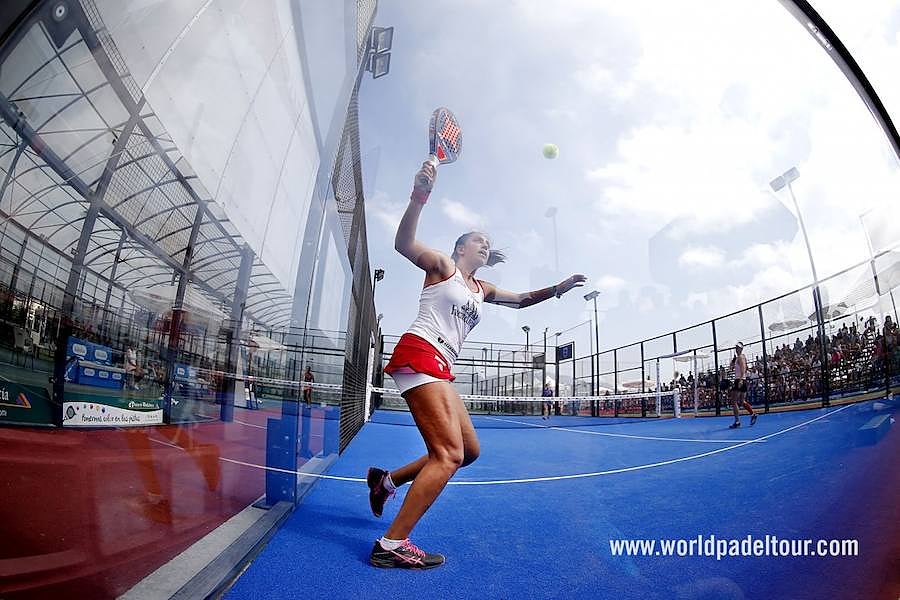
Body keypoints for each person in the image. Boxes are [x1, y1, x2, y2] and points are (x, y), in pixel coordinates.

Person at [366, 160, 586, 569]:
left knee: (467, 451)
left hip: (441, 363)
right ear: (460, 248)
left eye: (488, 244)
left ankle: (387, 481)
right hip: (421, 350)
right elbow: (403, 243)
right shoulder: (443, 267)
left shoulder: (481, 289)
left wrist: (559, 288)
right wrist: (419, 196)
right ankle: (392, 544)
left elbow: (520, 300)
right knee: (447, 455)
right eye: (478, 241)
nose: (485, 246)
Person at [728, 342, 758, 428]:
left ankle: (737, 421)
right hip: (742, 380)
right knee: (741, 401)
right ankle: (752, 414)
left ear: (741, 349)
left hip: (739, 380)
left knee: (734, 401)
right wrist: (733, 361)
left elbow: (744, 369)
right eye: (736, 347)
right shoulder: (739, 358)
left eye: (738, 348)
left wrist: (740, 380)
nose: (736, 349)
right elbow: (731, 367)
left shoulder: (741, 357)